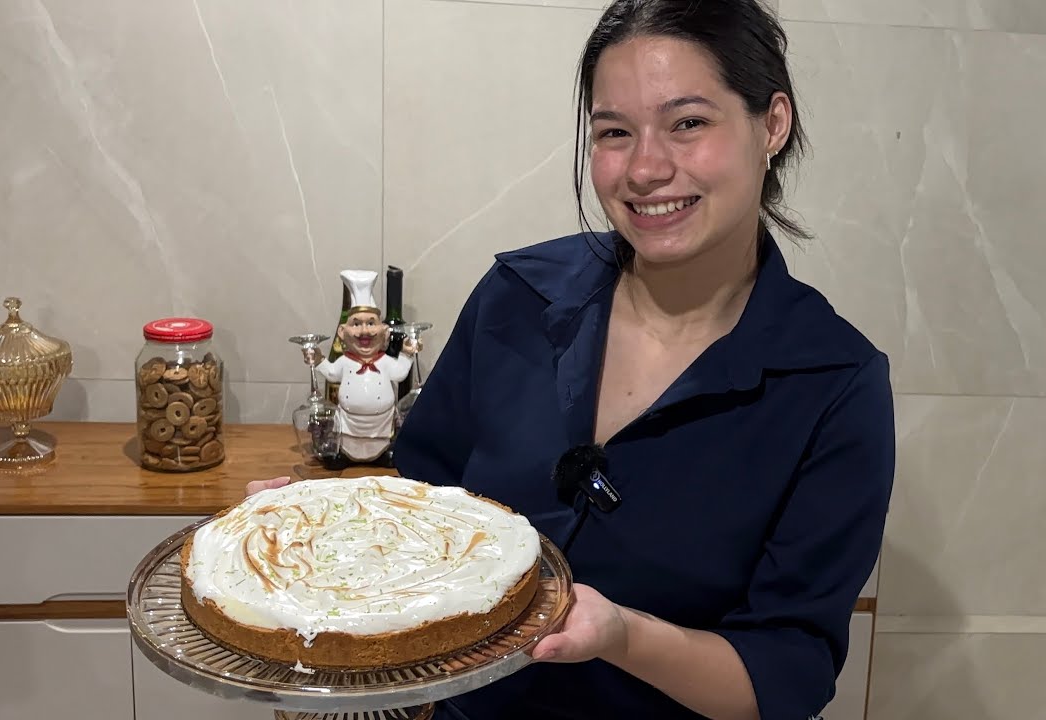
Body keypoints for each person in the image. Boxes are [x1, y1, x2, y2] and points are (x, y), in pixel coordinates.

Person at [251, 1, 894, 717]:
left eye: (688, 123)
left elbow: (786, 673)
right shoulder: (516, 298)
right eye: (614, 132)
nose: (645, 169)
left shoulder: (833, 384)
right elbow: (424, 506)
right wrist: (317, 529)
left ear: (771, 124)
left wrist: (623, 636)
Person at [306, 270, 420, 468]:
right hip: (350, 427)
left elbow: (401, 373)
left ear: (384, 331)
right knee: (345, 447)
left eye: (371, 323)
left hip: (381, 427)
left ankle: (383, 455)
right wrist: (317, 359)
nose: (364, 331)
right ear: (342, 332)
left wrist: (408, 354)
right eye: (356, 324)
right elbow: (331, 373)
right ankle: (344, 455)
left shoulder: (385, 361)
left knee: (385, 449)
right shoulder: (345, 362)